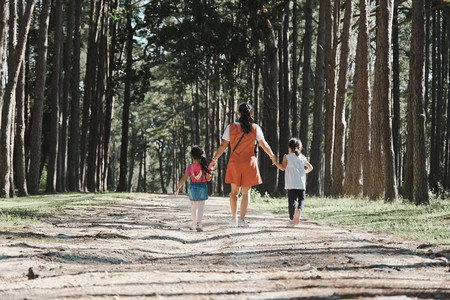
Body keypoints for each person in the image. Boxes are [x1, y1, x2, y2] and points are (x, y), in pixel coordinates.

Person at [209, 102, 276, 228]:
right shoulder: (255, 128)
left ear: (239, 113)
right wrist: (272, 155)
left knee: (234, 192)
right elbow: (264, 144)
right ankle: (242, 219)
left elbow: (223, 146)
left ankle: (233, 218)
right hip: (249, 162)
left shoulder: (231, 127)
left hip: (235, 162)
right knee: (246, 193)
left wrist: (214, 159)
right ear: (251, 114)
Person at [273, 138, 313, 227]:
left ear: (289, 147)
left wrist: (275, 162)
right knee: (302, 200)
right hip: (301, 184)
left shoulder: (286, 157)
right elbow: (311, 167)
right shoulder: (303, 158)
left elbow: (283, 168)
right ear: (300, 147)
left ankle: (291, 219)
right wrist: (303, 173)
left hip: (291, 184)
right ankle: (299, 210)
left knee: (292, 202)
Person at [175, 145, 212, 232]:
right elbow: (209, 179)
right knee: (201, 206)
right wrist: (210, 171)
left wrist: (178, 188)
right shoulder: (205, 167)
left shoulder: (190, 167)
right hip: (202, 186)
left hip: (193, 187)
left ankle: (194, 223)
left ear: (192, 156)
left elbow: (184, 178)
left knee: (193, 206)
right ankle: (199, 223)